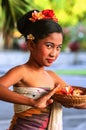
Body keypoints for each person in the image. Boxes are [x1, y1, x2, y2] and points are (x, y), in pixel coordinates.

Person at [0, 9, 86, 130]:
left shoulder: (52, 77)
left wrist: (73, 101)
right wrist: (32, 102)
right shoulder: (22, 71)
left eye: (58, 47)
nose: (54, 53)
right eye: (49, 46)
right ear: (31, 44)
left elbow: (77, 101)